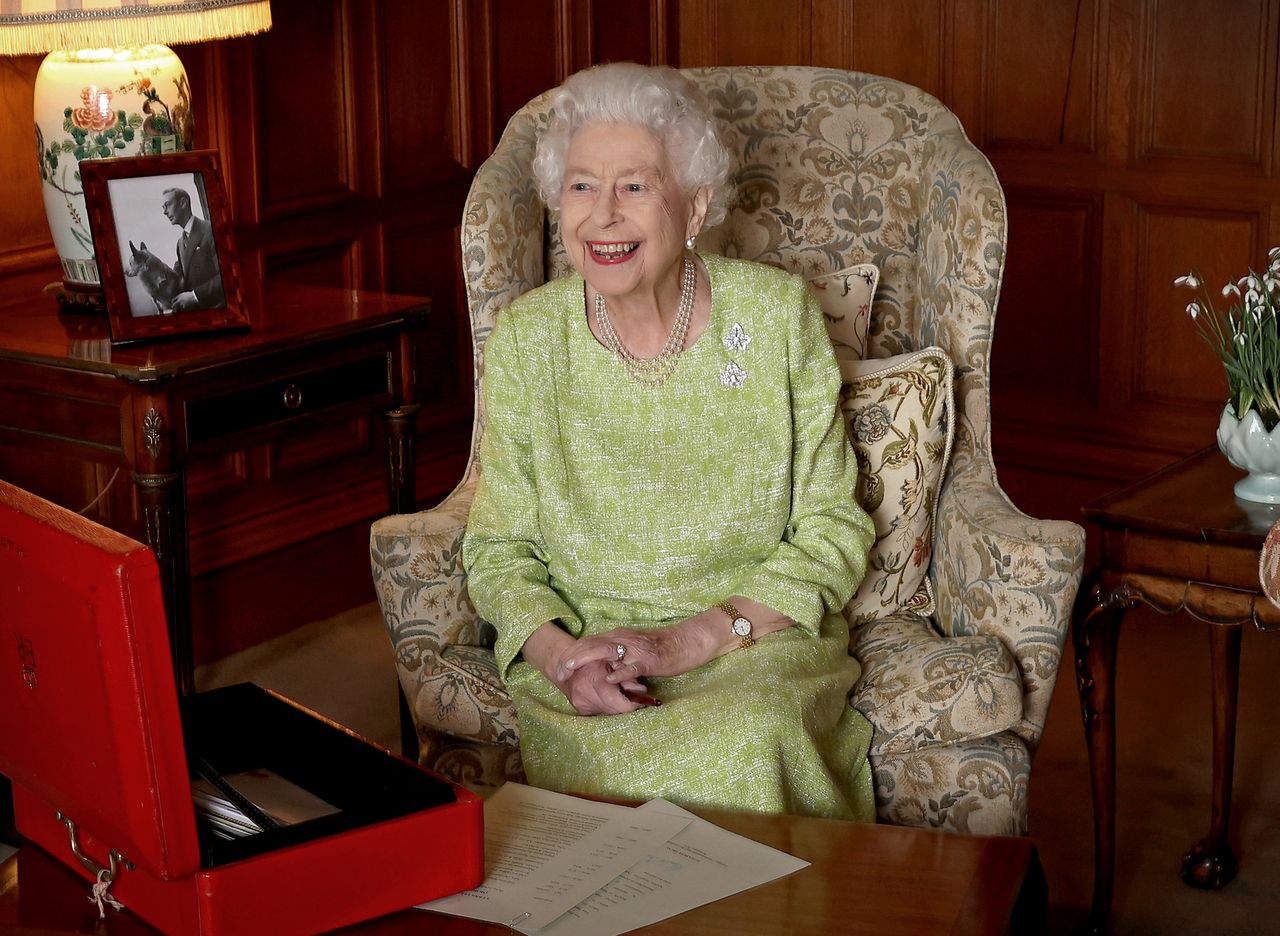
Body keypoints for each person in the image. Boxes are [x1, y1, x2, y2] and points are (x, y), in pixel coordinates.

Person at [461, 63, 877, 821]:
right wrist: (563, 660)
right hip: (590, 655)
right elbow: (499, 551)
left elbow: (832, 529)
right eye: (582, 186)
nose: (603, 215)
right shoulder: (526, 339)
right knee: (607, 778)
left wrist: (688, 643)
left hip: (752, 642)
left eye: (635, 185)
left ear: (695, 205)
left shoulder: (776, 317)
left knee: (750, 741)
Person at [162, 186, 225, 311]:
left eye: (167, 205)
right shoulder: (180, 244)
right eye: (163, 207)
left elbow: (226, 277)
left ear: (183, 203)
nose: (164, 212)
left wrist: (195, 295)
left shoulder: (211, 230)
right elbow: (178, 278)